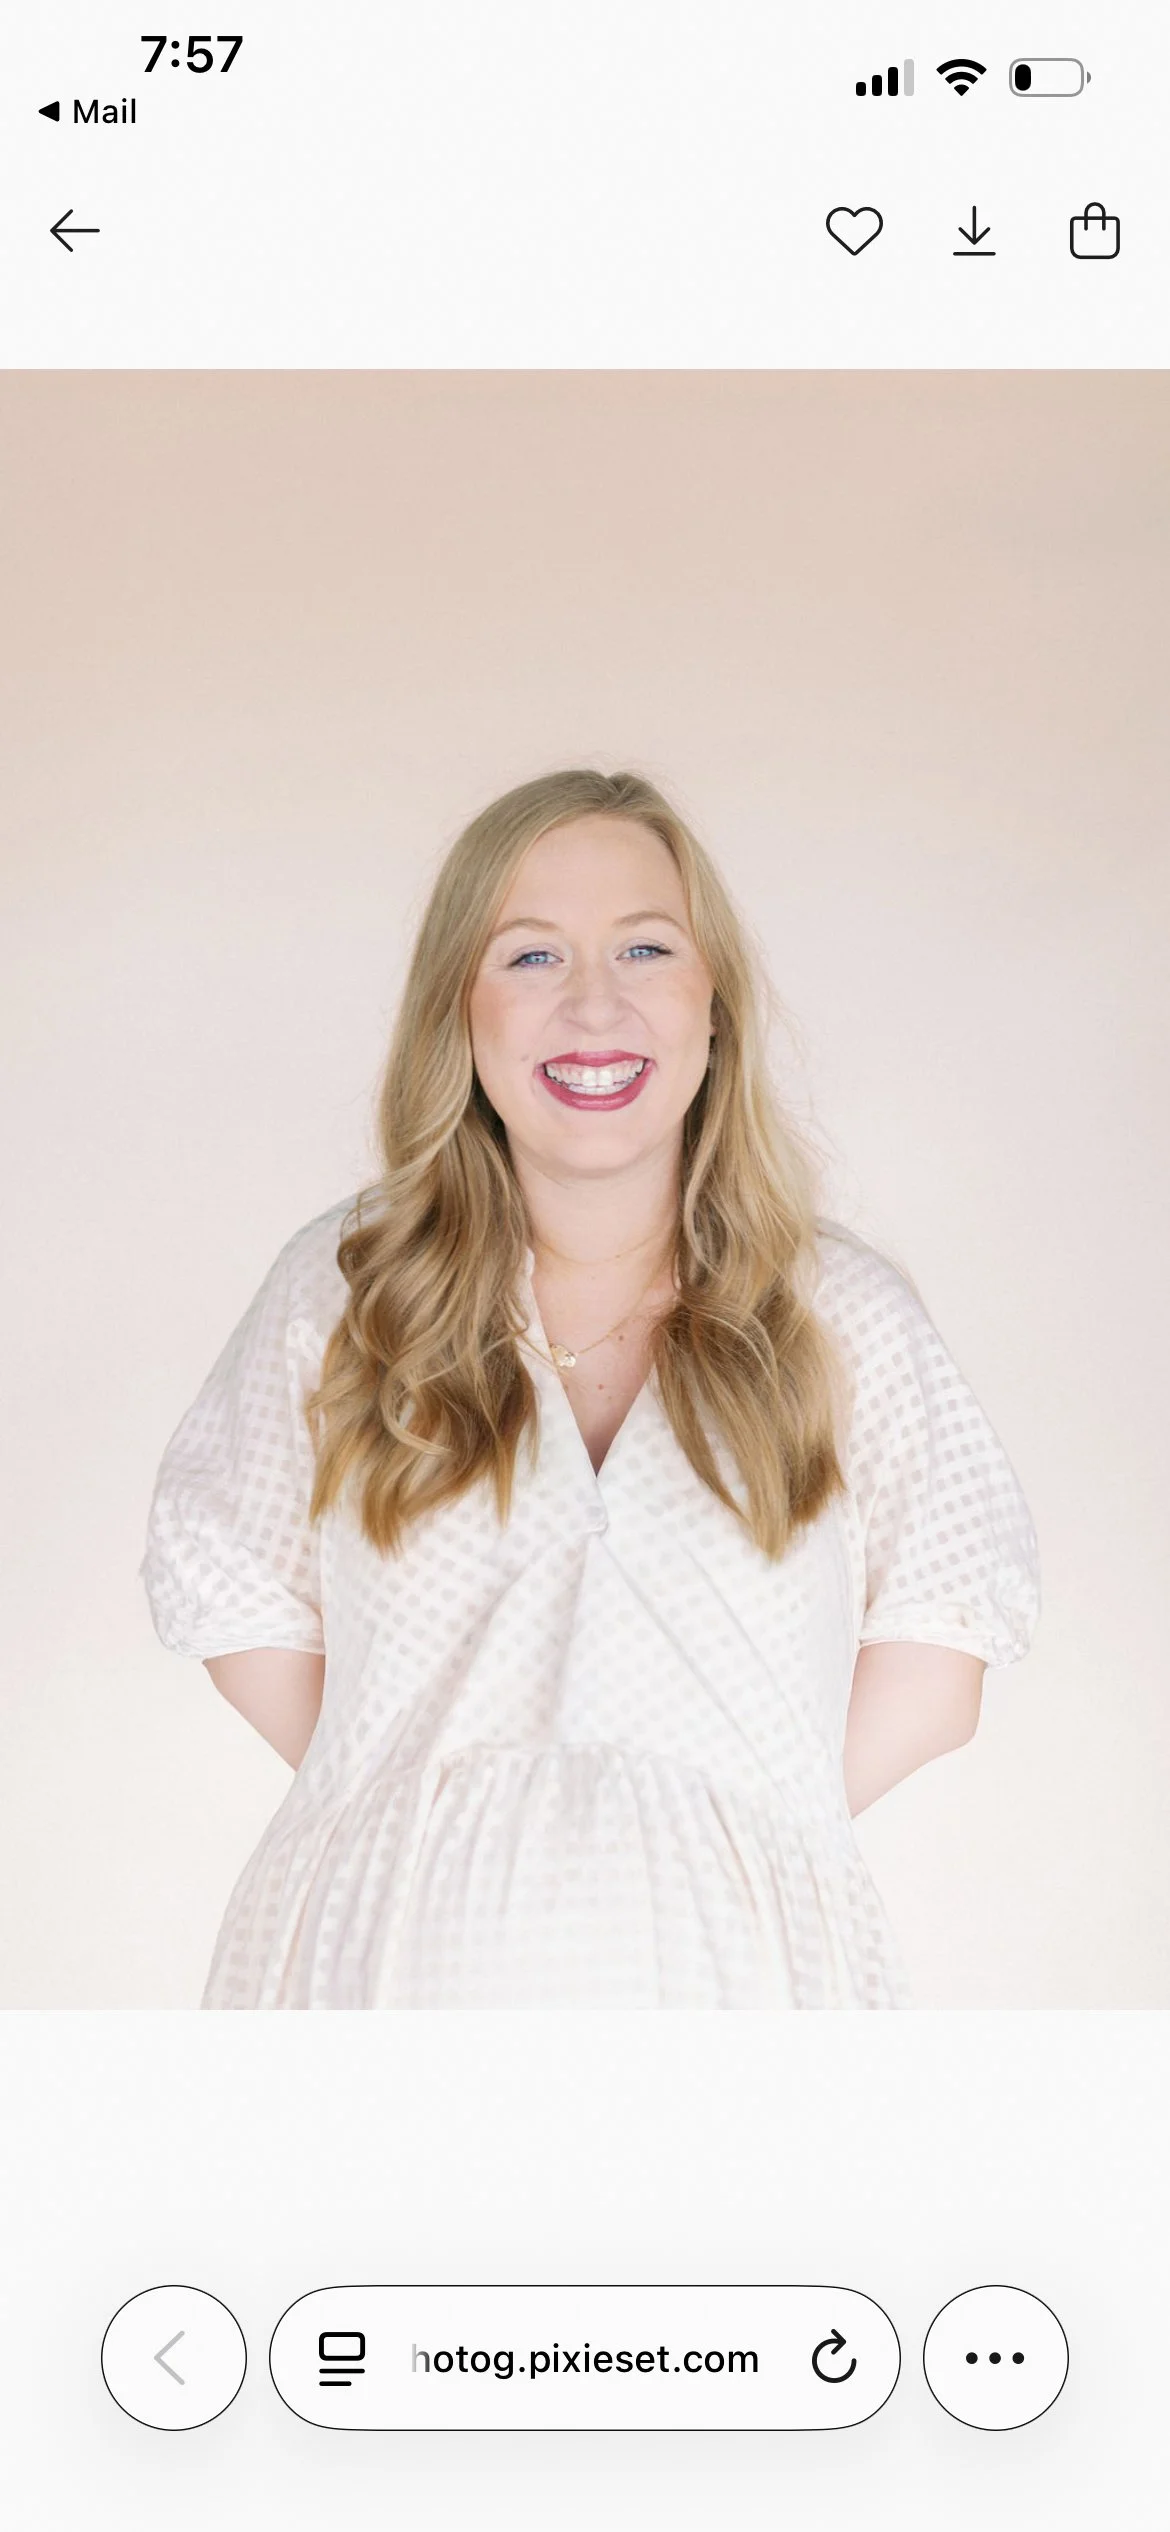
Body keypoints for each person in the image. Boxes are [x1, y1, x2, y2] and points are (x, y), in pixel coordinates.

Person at [140, 767, 1040, 2008]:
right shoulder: (349, 1291)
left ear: (712, 1004)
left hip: (751, 1997)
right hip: (375, 1989)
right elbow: (234, 1590)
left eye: (645, 946)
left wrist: (717, 1836)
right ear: (458, 1012)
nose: (594, 1004)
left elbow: (940, 1657)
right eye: (530, 957)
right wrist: (430, 1801)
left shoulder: (842, 1317)